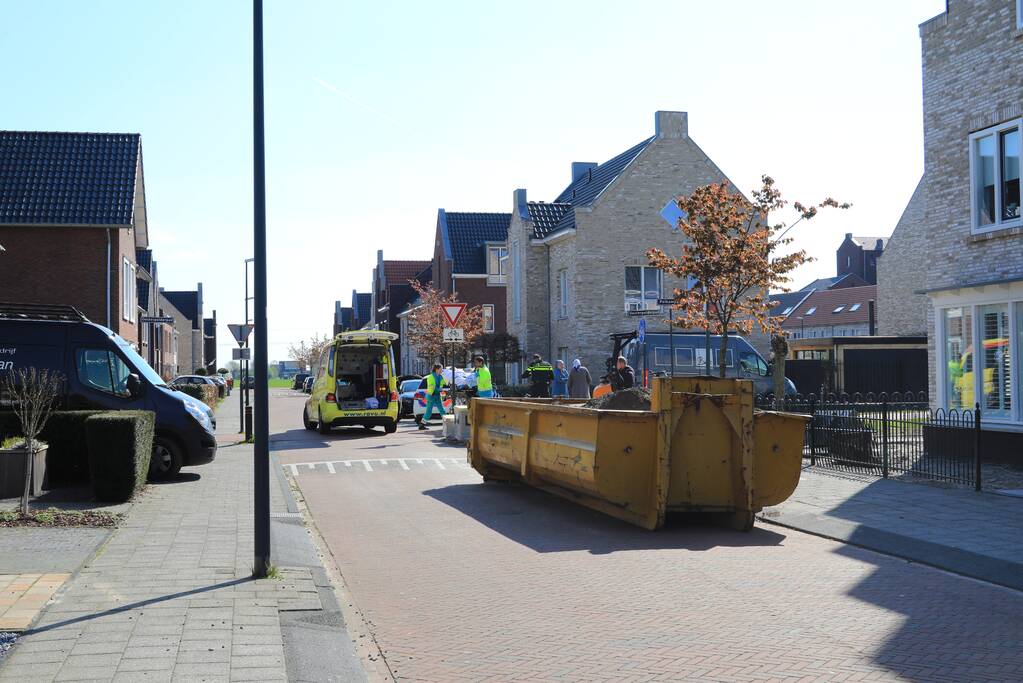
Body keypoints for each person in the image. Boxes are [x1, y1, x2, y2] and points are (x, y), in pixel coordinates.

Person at [419, 363, 447, 430]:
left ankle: (447, 424)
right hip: (431, 395)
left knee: (442, 410)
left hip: (437, 395)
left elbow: (443, 384)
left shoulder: (440, 377)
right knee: (429, 412)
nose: (442, 371)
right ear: (437, 369)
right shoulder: (431, 377)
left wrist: (442, 388)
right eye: (441, 369)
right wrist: (440, 389)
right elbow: (432, 387)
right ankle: (422, 424)